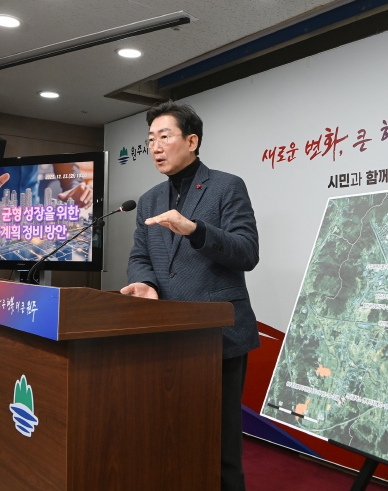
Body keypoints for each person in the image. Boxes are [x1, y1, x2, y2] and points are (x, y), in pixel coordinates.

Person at [120, 101, 260, 491]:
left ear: (192, 141)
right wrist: (145, 283)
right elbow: (140, 256)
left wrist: (196, 230)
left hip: (219, 337)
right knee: (173, 434)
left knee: (220, 443)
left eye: (164, 136)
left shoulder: (226, 186)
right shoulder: (149, 200)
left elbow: (247, 252)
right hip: (166, 335)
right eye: (151, 140)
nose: (155, 147)